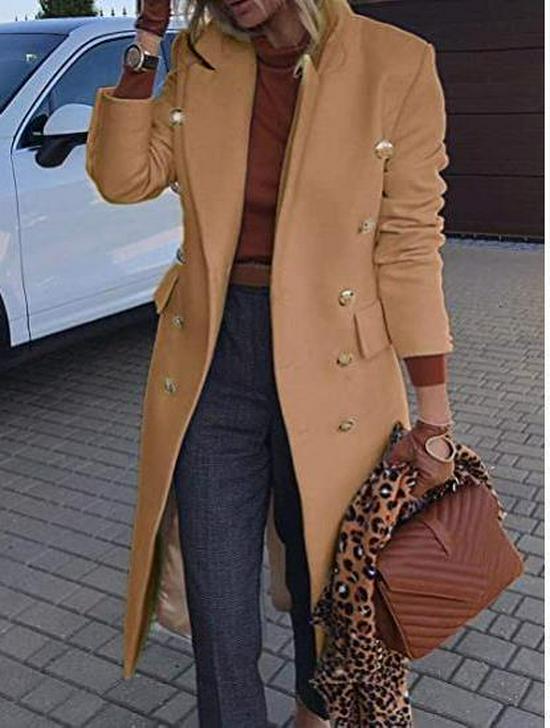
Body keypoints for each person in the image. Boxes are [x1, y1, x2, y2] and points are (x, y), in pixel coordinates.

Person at [85, 0, 457, 725]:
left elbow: (411, 243)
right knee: (217, 604)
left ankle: (318, 714)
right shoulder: (201, 58)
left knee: (331, 585)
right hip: (215, 359)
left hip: (338, 366)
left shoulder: (397, 63)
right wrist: (147, 40)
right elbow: (123, 178)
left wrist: (434, 416)